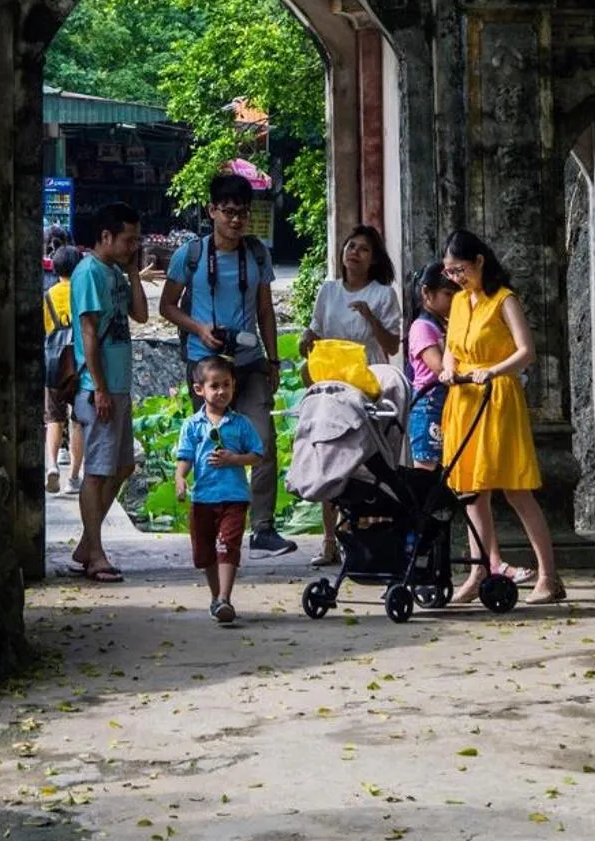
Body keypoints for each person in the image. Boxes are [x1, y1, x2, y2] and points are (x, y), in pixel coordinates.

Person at [160, 171, 296, 556]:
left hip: (249, 363)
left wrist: (273, 359)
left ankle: (263, 527)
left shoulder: (257, 254)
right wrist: (199, 329)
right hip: (206, 365)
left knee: (263, 439)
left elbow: (265, 311)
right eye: (229, 212)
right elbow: (166, 306)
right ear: (212, 211)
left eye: (243, 213)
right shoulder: (191, 255)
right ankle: (211, 521)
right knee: (209, 442)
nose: (236, 220)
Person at [440, 228, 564, 606]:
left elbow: (526, 351)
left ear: (479, 262)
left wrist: (492, 371)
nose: (456, 278)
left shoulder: (504, 299)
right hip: (463, 398)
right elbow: (451, 349)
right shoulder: (459, 301)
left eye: (460, 270)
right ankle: (480, 571)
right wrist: (448, 369)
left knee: (515, 489)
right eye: (449, 272)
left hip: (497, 396)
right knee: (471, 491)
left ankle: (549, 576)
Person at [299, 223, 403, 567]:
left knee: (365, 460)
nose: (355, 253)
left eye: (363, 249)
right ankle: (329, 540)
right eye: (351, 246)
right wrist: (306, 339)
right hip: (331, 383)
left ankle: (366, 540)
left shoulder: (382, 294)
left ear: (374, 259)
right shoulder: (328, 291)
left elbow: (391, 345)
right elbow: (315, 331)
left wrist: (371, 318)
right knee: (327, 455)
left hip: (367, 382)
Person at [69, 201, 147, 584]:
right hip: (99, 388)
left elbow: (141, 314)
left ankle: (87, 544)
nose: (134, 246)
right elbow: (88, 332)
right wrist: (99, 387)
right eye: (128, 240)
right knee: (97, 472)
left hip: (118, 386)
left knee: (122, 466)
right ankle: (96, 554)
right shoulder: (88, 272)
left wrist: (132, 272)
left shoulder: (115, 272)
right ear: (105, 236)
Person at [174, 353, 264, 624]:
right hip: (203, 498)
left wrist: (234, 459)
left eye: (226, 385)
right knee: (204, 553)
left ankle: (225, 598)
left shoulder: (242, 424)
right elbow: (185, 457)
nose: (221, 391)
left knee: (228, 545)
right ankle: (216, 598)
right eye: (214, 386)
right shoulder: (192, 425)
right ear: (199, 389)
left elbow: (257, 455)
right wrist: (180, 478)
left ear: (234, 385)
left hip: (234, 497)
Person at [407, 261, 457, 471]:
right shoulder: (422, 327)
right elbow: (440, 368)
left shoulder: (442, 325)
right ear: (427, 293)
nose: (453, 301)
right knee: (426, 469)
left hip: (445, 402)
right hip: (429, 405)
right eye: (448, 294)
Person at [44, 242, 85, 494]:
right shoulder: (83, 293)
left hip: (53, 362)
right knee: (77, 421)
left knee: (53, 418)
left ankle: (52, 465)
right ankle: (74, 478)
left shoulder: (48, 296)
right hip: (80, 362)